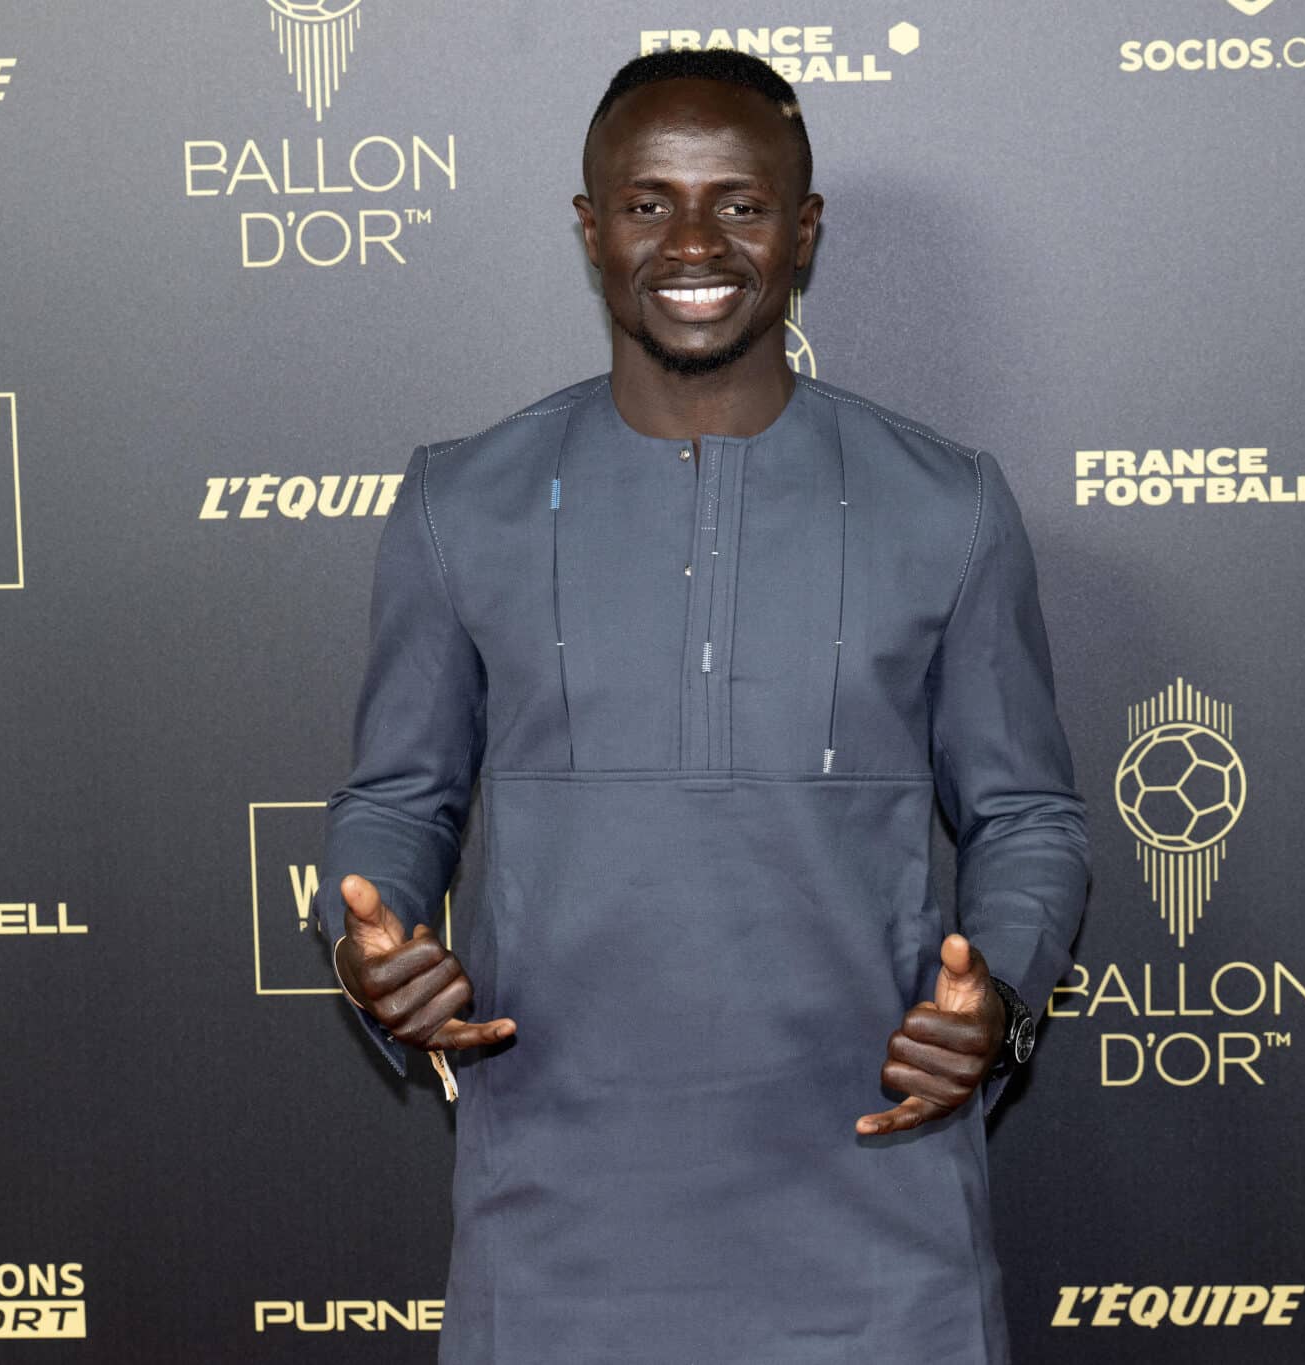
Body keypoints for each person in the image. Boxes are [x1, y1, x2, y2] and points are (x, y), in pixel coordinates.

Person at [315, 48, 1089, 1365]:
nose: (690, 241)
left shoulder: (948, 501)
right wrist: (369, 946)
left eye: (737, 202)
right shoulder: (463, 499)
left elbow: (1026, 815)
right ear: (589, 228)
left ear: (802, 230)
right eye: (645, 201)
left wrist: (1000, 995)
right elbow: (398, 800)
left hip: (875, 1213)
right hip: (554, 1222)